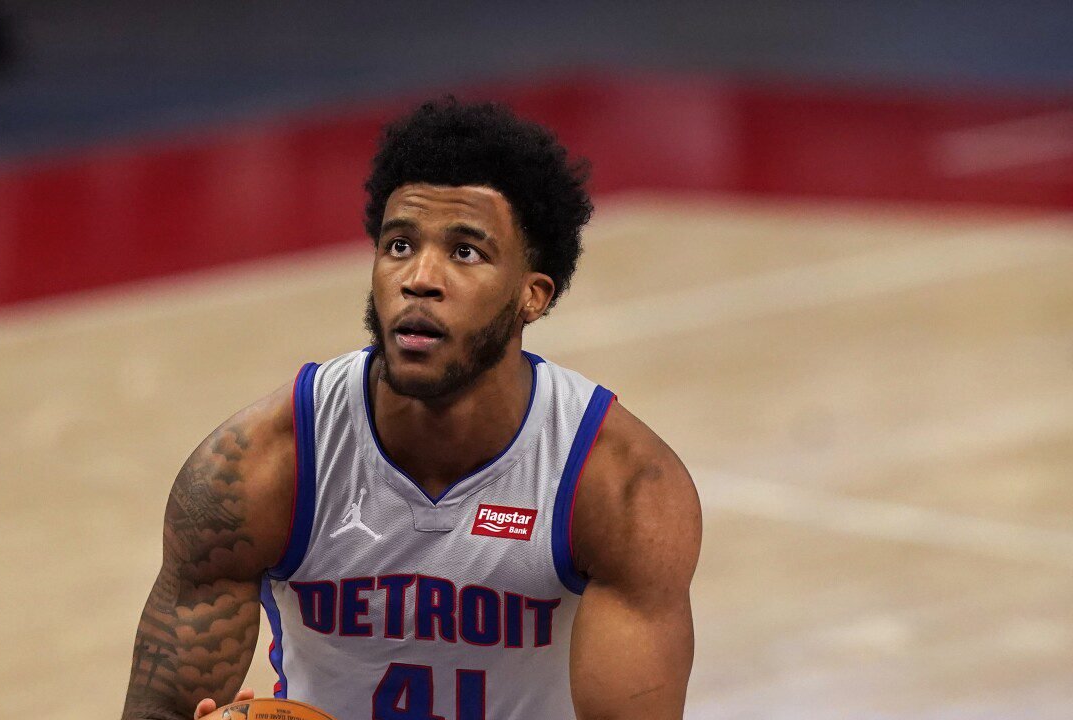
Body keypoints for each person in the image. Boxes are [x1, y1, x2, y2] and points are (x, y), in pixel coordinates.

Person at [121, 97, 701, 720]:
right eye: (399, 245)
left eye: (466, 252)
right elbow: (160, 710)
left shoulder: (620, 486)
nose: (419, 278)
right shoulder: (257, 466)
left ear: (532, 296)